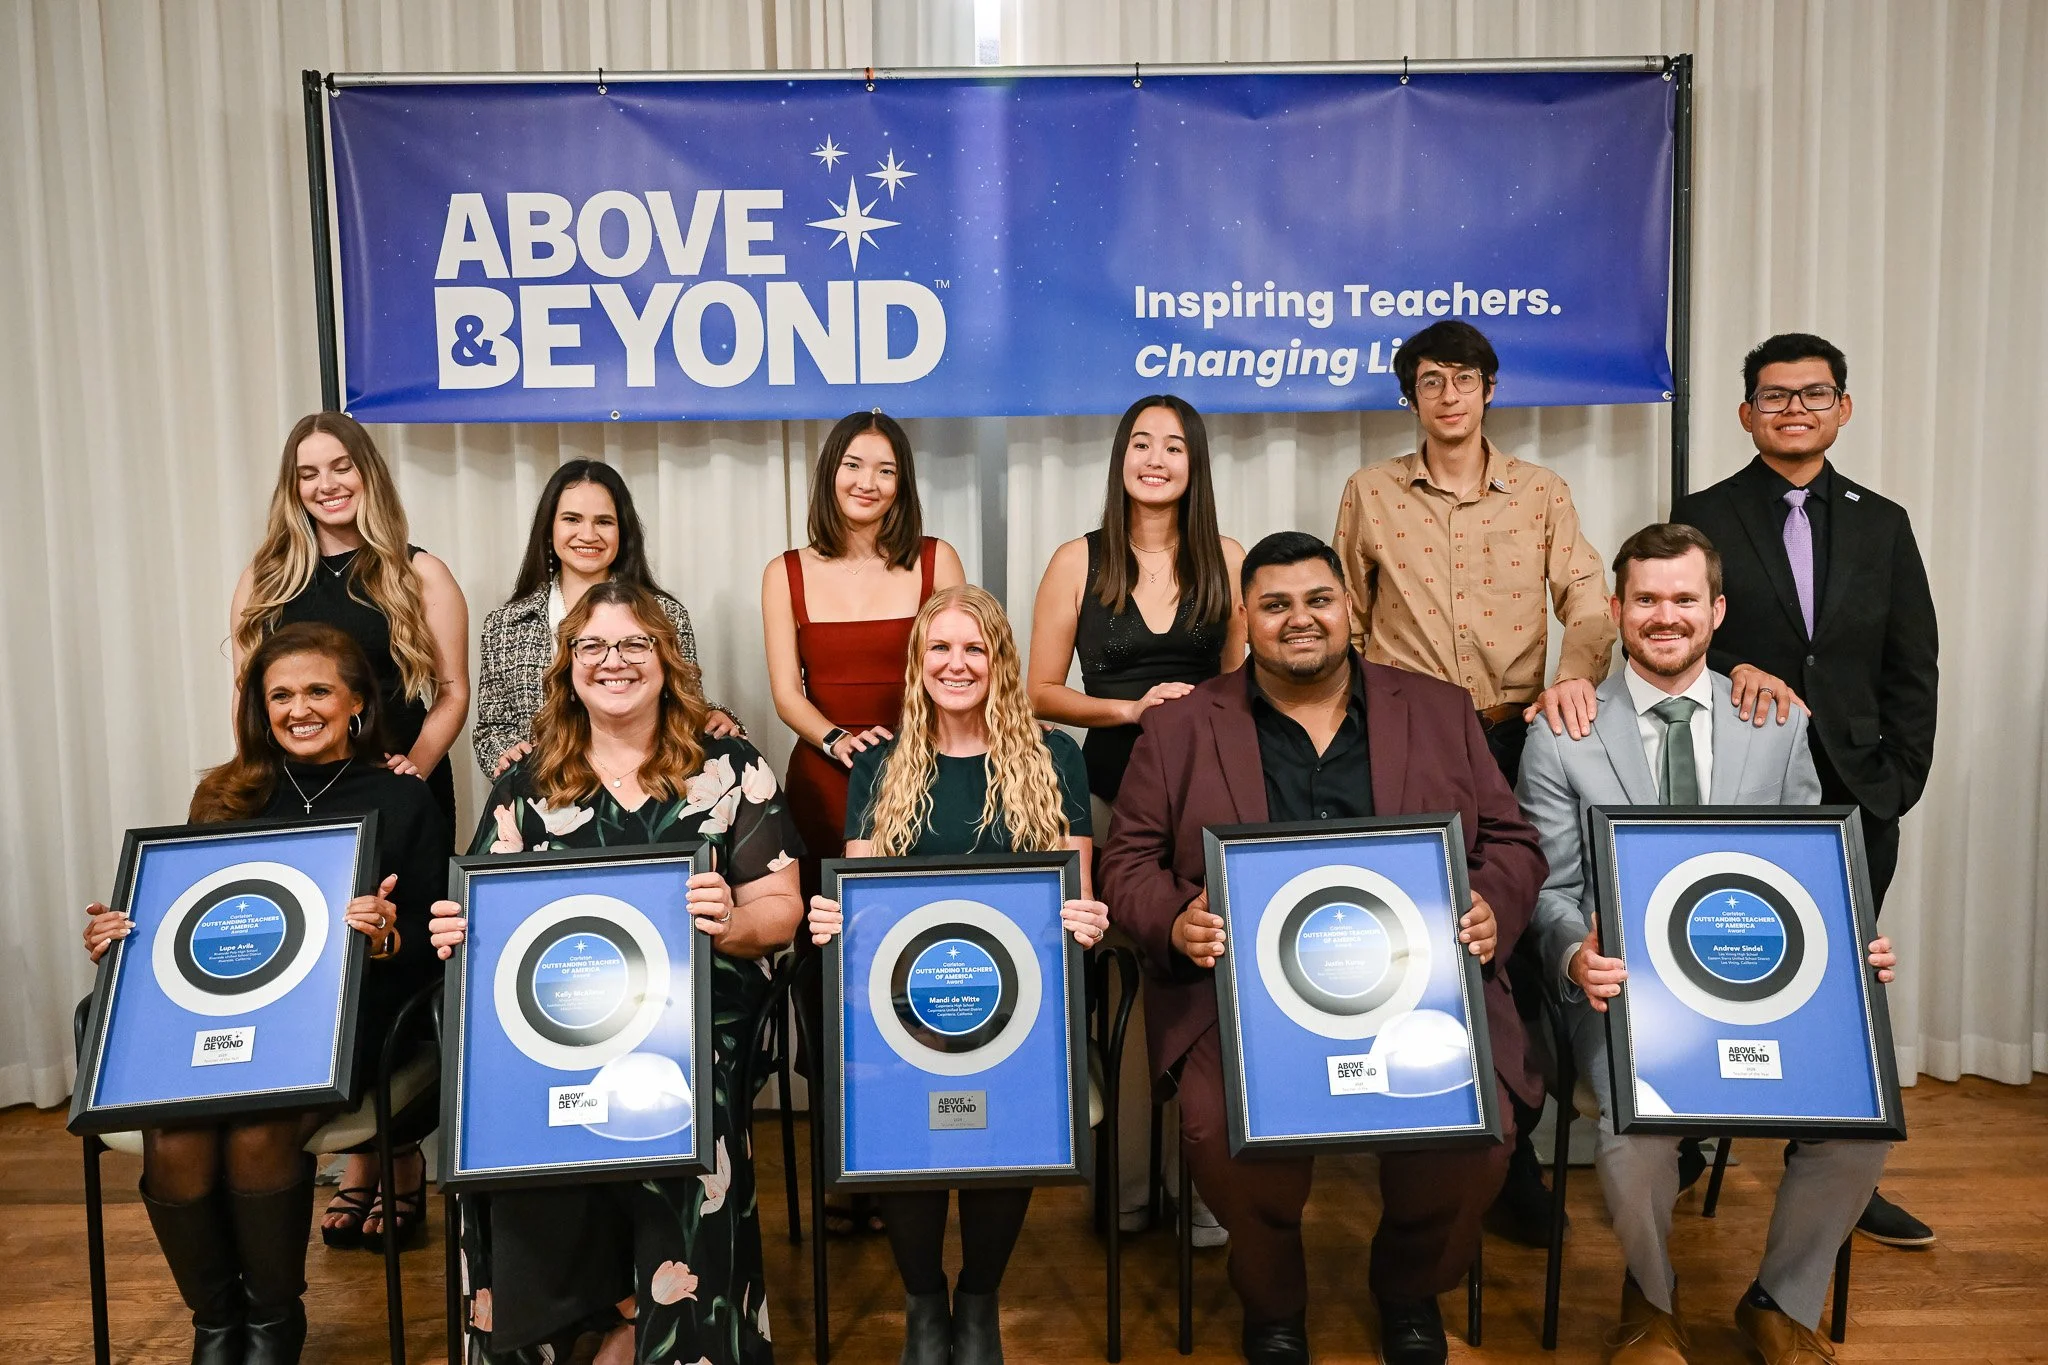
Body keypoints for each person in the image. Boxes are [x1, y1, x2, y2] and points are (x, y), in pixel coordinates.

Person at [1099, 531, 1546, 1365]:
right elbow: (1126, 862)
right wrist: (1172, 919)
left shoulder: (1440, 709)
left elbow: (1515, 843)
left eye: (1317, 600)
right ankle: (1274, 1299)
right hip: (1242, 996)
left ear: (1350, 608)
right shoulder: (1184, 727)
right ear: (1246, 618)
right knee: (1219, 1129)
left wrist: (1492, 904)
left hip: (1420, 989)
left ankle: (1407, 1288)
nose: (1298, 619)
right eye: (1275, 605)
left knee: (1477, 1136)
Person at [1515, 523, 1898, 1363]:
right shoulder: (1561, 732)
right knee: (1634, 1120)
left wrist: (1854, 941)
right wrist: (1575, 952)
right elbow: (1548, 887)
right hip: (1625, 991)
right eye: (1646, 598)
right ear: (1616, 609)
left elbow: (1810, 868)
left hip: (1754, 983)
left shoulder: (1773, 721)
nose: (1665, 615)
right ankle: (1650, 1301)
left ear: (1717, 610)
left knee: (1863, 1115)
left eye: (1684, 598)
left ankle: (1780, 1301)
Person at [427, 579, 802, 1365]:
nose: (613, 661)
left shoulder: (727, 766)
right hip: (555, 1020)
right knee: (502, 1094)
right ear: (567, 666)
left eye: (635, 644)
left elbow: (782, 906)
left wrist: (731, 921)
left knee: (671, 1085)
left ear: (667, 660)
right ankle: (568, 1330)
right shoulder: (528, 783)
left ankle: (663, 1333)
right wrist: (458, 926)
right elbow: (485, 911)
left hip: (692, 1008)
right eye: (591, 646)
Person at [82, 623, 450, 1365]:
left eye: (318, 690)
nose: (298, 708)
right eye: (280, 694)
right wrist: (128, 934)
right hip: (222, 1022)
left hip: (349, 1021)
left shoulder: (403, 797)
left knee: (257, 1131)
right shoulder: (226, 793)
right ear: (259, 706)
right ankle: (218, 1322)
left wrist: (385, 933)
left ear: (355, 702)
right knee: (178, 1131)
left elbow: (432, 935)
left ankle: (276, 1322)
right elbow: (197, 917)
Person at [1329, 319, 1617, 1244]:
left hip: (1510, 740)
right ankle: (1417, 1133)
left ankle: (1512, 1148)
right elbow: (1344, 617)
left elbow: (1588, 598)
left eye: (1463, 377)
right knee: (1417, 942)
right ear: (1408, 395)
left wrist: (1574, 670)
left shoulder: (1541, 493)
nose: (1447, 393)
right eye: (1428, 379)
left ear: (1491, 389)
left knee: (1516, 938)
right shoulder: (1370, 493)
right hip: (1409, 749)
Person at [1670, 333, 1939, 1250]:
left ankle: (1837, 1173)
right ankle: (1687, 1136)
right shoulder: (1703, 513)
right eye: (1774, 397)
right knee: (1721, 951)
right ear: (1746, 413)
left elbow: (1913, 661)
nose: (1793, 409)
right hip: (1738, 780)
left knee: (1844, 983)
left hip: (1859, 788)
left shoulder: (1883, 521)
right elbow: (1671, 637)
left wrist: (1899, 779)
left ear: (1843, 408)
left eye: (1813, 394)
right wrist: (1738, 662)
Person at [806, 585, 1110, 1365]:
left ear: (1000, 660)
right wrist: (833, 919)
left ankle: (977, 1300)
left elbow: (1076, 889)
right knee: (898, 1114)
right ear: (918, 662)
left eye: (975, 647)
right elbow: (862, 903)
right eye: (940, 647)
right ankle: (921, 1302)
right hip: (904, 1009)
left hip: (1023, 1007)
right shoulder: (880, 764)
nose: (957, 663)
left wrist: (1086, 917)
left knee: (1010, 1120)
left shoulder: (1055, 758)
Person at [1025, 393, 1245, 1244]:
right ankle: (1124, 1190)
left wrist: (1197, 714)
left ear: (1196, 464)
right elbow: (1039, 689)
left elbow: (1242, 686)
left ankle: (1199, 1182)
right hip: (1110, 799)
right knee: (1120, 984)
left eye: (1175, 446)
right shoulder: (1075, 561)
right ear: (1120, 458)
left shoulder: (1227, 555)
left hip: (1205, 803)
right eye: (1141, 444)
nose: (1156, 458)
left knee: (1198, 979)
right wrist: (1132, 708)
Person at [761, 410, 964, 1235]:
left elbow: (962, 660)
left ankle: (917, 1139)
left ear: (903, 481)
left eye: (884, 469)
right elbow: (786, 692)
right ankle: (849, 1154)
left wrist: (910, 752)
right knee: (830, 972)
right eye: (853, 466)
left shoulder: (936, 559)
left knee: (916, 960)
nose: (867, 483)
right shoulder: (785, 570)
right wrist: (840, 739)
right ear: (829, 475)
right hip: (823, 785)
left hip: (922, 782)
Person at [231, 412, 470, 830]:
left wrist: (413, 771)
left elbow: (453, 693)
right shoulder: (263, 579)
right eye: (309, 474)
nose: (327, 485)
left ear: (369, 473)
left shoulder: (422, 573)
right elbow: (245, 695)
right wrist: (256, 777)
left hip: (396, 793)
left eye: (342, 467)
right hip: (295, 792)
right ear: (293, 488)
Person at [473, 459, 740, 777]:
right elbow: (491, 730)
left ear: (622, 531)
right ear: (550, 528)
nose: (588, 534)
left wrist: (716, 716)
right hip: (547, 797)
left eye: (603, 522)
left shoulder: (666, 616)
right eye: (572, 519)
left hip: (646, 792)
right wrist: (505, 757)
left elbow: (686, 704)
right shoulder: (504, 625)